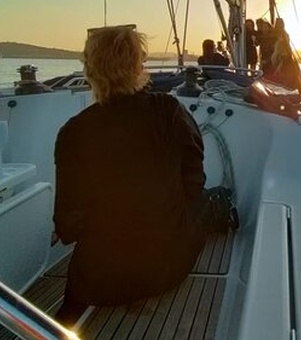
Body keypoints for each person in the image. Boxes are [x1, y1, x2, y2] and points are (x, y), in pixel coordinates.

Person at [52, 25, 212, 327]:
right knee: (206, 203)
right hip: (167, 267)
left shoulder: (73, 132)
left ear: (90, 70)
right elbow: (195, 184)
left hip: (99, 284)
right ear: (139, 67)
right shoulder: (168, 111)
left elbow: (68, 228)